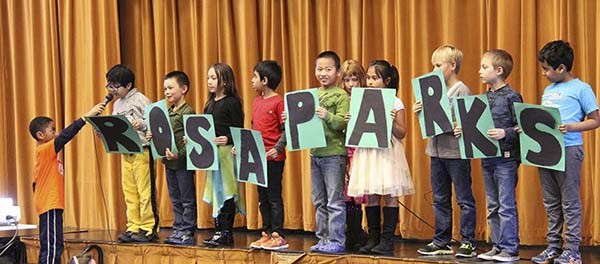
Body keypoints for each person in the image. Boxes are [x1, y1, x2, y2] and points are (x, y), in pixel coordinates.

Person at [531, 40, 600, 264]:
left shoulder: (582, 88)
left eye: (546, 69)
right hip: (547, 151)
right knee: (550, 201)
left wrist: (571, 127)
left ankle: (572, 250)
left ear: (561, 68)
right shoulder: (548, 90)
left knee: (569, 201)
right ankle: (553, 246)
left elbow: (595, 120)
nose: (543, 73)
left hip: (569, 149)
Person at [455, 50, 523, 261]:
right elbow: (478, 125)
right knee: (493, 204)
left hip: (506, 158)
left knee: (506, 204)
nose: (480, 71)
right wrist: (463, 130)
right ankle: (497, 245)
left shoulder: (513, 96)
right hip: (488, 158)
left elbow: (522, 126)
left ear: (499, 70)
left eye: (484, 67)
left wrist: (506, 132)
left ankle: (510, 248)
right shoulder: (484, 97)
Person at [347, 60, 415, 256]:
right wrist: (350, 121)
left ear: (387, 80)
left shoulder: (395, 101)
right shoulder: (360, 100)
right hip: (368, 153)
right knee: (371, 195)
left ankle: (387, 239)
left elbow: (402, 133)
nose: (369, 82)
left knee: (389, 195)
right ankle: (373, 237)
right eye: (368, 78)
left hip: (386, 154)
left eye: (374, 78)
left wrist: (392, 120)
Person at [415, 44, 477, 258]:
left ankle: (468, 241)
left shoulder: (462, 89)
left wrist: (453, 125)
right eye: (433, 65)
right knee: (440, 198)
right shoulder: (433, 91)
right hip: (436, 152)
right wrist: (420, 112)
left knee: (463, 198)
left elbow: (466, 123)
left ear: (452, 66)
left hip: (456, 154)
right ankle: (442, 240)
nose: (433, 70)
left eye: (438, 65)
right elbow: (431, 123)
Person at [29, 104, 104, 264]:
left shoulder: (48, 152)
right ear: (40, 134)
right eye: (52, 130)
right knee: (51, 247)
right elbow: (66, 135)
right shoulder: (44, 150)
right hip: (49, 204)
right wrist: (86, 118)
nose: (56, 133)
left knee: (56, 244)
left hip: (51, 204)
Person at [105, 65, 159, 243]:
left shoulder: (141, 99)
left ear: (128, 85)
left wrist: (142, 124)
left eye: (115, 86)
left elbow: (154, 121)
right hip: (125, 151)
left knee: (145, 191)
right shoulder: (117, 104)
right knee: (129, 191)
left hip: (142, 150)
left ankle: (148, 227)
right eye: (110, 86)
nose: (112, 90)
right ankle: (133, 226)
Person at [307, 51, 349, 253]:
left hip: (334, 154)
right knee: (319, 200)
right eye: (319, 69)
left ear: (338, 72)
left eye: (328, 69)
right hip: (315, 154)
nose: (323, 73)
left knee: (335, 200)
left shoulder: (341, 95)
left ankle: (337, 240)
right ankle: (322, 239)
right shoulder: (312, 95)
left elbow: (344, 123)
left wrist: (328, 115)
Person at [149, 71, 197, 245]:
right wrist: (152, 136)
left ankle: (187, 231)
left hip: (182, 163)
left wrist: (180, 154)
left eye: (170, 88)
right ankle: (178, 228)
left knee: (187, 199)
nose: (167, 92)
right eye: (165, 89)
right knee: (175, 198)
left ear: (183, 89)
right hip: (169, 162)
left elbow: (192, 139)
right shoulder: (166, 111)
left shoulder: (188, 111)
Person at [202, 63, 246, 248]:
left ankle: (226, 231)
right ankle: (218, 230)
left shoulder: (232, 102)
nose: (210, 81)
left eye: (214, 78)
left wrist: (227, 138)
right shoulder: (209, 104)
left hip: (227, 154)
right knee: (216, 192)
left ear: (225, 81)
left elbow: (239, 130)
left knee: (227, 191)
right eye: (209, 78)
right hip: (213, 155)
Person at [246, 60, 288, 250]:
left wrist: (278, 148)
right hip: (257, 158)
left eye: (255, 77)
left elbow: (285, 129)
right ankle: (266, 231)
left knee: (273, 196)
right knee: (262, 196)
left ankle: (278, 233)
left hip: (273, 158)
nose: (252, 81)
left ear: (264, 80)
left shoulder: (279, 101)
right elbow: (254, 128)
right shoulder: (256, 101)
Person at [338, 59, 368, 251]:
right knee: (346, 194)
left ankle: (359, 231)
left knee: (358, 193)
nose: (350, 84)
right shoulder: (341, 100)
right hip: (344, 150)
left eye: (354, 79)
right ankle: (351, 231)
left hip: (359, 151)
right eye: (347, 80)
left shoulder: (366, 99)